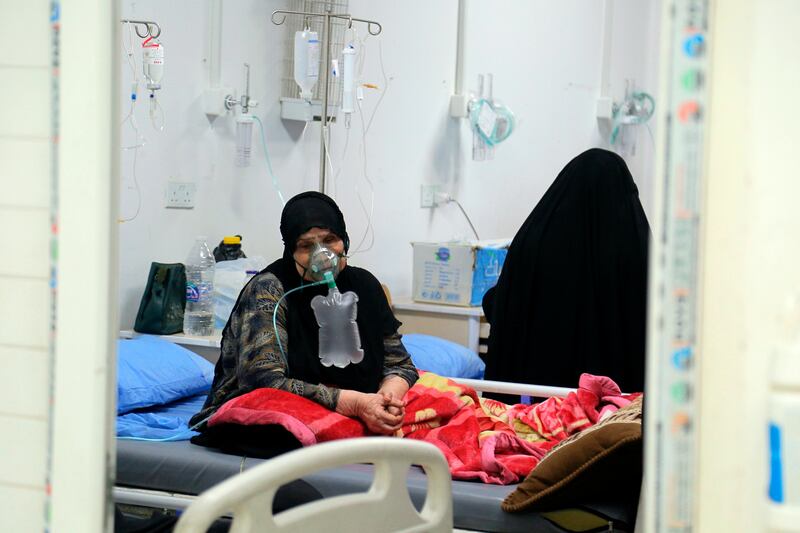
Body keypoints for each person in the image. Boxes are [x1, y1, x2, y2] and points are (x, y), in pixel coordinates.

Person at [190, 192, 418, 438]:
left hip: (361, 403)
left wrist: (387, 400)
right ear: (291, 250)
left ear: (345, 241)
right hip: (273, 409)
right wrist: (352, 403)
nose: (322, 255)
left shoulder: (365, 285)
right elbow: (264, 382)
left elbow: (400, 364)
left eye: (330, 240)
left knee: (452, 404)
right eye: (306, 246)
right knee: (283, 427)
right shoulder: (269, 290)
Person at [482, 148, 650, 401]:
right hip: (619, 406)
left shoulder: (534, 241)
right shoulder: (634, 243)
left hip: (549, 402)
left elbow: (506, 305)